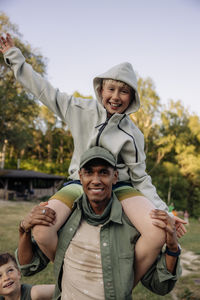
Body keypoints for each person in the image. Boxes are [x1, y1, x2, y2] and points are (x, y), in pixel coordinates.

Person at [0, 33, 186, 283]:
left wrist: (165, 211)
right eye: (111, 88)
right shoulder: (79, 109)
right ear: (100, 90)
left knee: (156, 232)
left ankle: (123, 282)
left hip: (121, 186)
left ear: (132, 98)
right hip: (79, 182)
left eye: (124, 91)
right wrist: (14, 56)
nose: (116, 96)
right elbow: (44, 90)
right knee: (42, 230)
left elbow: (141, 178)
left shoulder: (133, 135)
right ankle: (74, 277)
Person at [16, 147, 182, 300]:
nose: (96, 180)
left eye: (103, 172)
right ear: (80, 177)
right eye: (89, 172)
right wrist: (24, 229)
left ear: (115, 177)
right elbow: (28, 267)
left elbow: (160, 285)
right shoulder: (63, 222)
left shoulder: (133, 228)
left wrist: (173, 249)